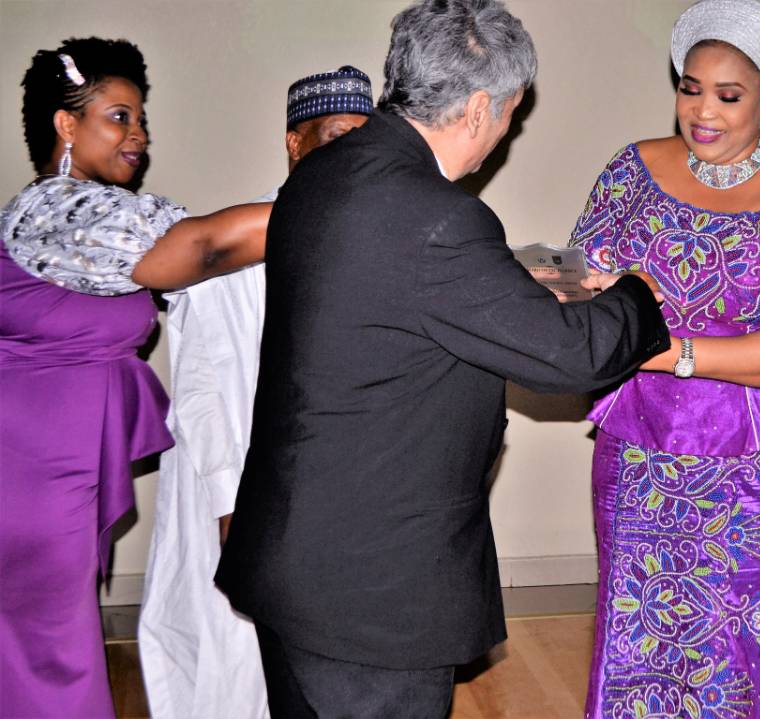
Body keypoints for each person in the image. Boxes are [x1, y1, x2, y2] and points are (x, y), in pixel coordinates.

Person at [213, 0, 670, 716]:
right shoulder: (439, 219)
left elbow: (394, 295)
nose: (508, 130)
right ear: (480, 107)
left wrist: (511, 280)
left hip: (295, 557)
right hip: (371, 595)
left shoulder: (326, 171)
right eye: (513, 112)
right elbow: (572, 357)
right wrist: (637, 294)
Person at [570, 1, 760, 716]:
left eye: (729, 96)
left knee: (732, 643)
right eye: (690, 88)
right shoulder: (632, 170)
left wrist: (674, 353)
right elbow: (584, 280)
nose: (703, 111)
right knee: (636, 631)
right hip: (641, 451)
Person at [0, 37, 269, 717]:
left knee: (38, 638)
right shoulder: (59, 211)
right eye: (119, 117)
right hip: (28, 469)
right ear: (66, 124)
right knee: (51, 646)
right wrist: (344, 202)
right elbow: (205, 245)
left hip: (61, 464)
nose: (139, 135)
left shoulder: (86, 211)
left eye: (141, 119)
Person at [137, 65, 372, 719]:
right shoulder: (238, 242)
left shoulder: (369, 241)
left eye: (363, 141)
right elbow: (202, 386)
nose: (350, 158)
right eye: (335, 138)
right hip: (234, 485)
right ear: (294, 142)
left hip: (329, 494)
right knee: (227, 658)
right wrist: (227, 497)